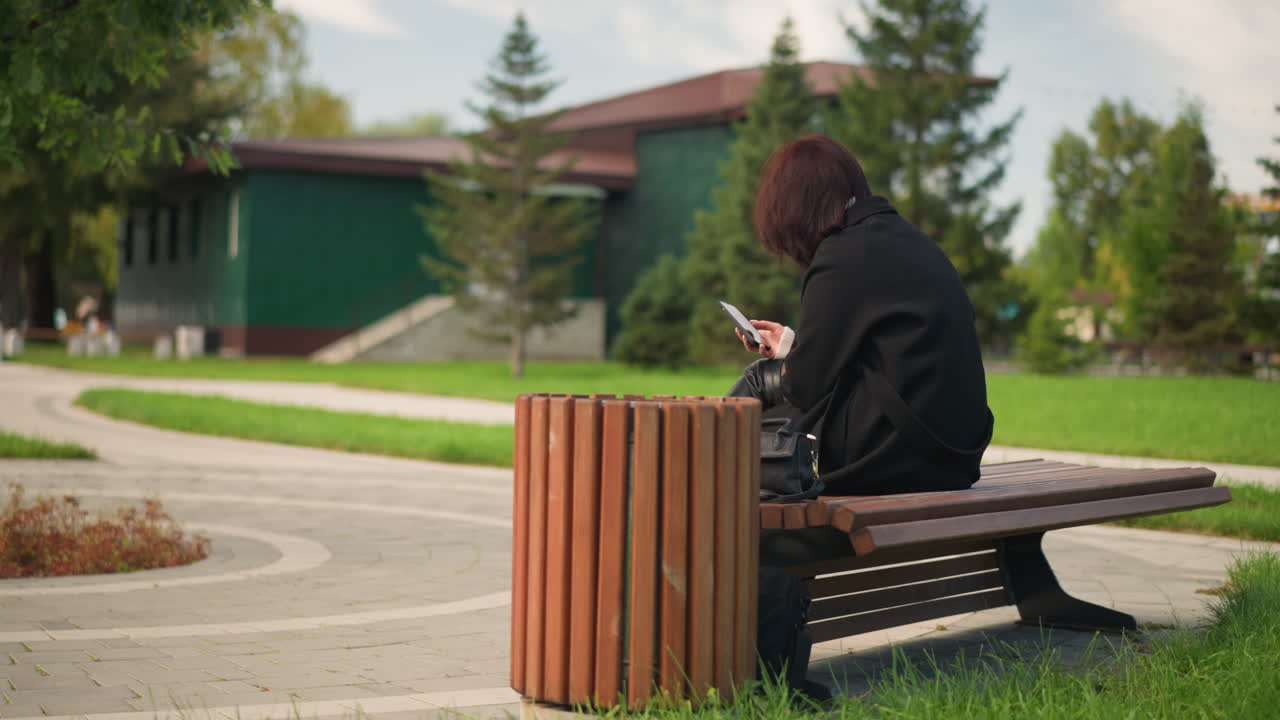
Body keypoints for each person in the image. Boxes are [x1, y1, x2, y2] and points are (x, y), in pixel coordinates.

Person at [730, 135, 994, 699]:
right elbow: (866, 355)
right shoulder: (903, 240)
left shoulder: (842, 256)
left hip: (901, 455)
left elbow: (806, 384)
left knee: (763, 486)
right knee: (771, 422)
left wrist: (786, 362)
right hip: (951, 453)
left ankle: (766, 677)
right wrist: (795, 347)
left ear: (796, 207)